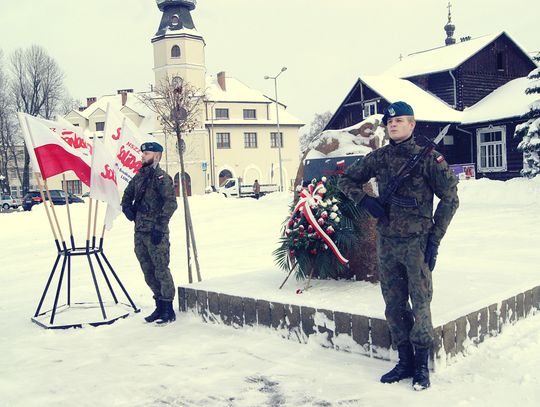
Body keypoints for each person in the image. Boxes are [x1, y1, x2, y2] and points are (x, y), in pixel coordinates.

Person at [338, 101, 459, 390]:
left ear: (412, 125)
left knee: (420, 304)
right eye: (390, 122)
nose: (393, 125)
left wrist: (435, 239)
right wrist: (365, 200)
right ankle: (404, 361)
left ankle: (421, 367)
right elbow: (346, 180)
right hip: (387, 243)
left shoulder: (430, 159)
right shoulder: (379, 158)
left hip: (417, 243)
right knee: (393, 305)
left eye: (400, 121)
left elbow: (450, 199)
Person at [121, 141, 178, 324]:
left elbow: (171, 203)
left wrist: (160, 227)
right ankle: (159, 306)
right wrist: (127, 208)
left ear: (157, 155)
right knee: (148, 270)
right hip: (140, 232)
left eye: (147, 153)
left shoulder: (162, 178)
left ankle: (168, 309)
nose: (143, 156)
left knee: (161, 269)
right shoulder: (139, 177)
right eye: (143, 153)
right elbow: (127, 195)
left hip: (156, 233)